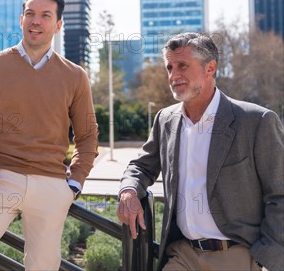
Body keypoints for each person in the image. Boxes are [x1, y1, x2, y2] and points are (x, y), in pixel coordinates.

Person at [0, 0, 98, 270]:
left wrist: (74, 183)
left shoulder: (74, 76)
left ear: (57, 25)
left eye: (45, 15)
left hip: (51, 185)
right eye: (30, 13)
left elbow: (87, 135)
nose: (36, 21)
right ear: (21, 19)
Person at [117, 32, 284, 271]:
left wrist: (266, 258)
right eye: (170, 67)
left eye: (182, 66)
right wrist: (129, 190)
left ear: (210, 68)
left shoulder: (256, 121)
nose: (174, 75)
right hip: (182, 255)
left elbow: (279, 194)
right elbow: (141, 166)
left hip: (238, 256)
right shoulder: (166, 120)